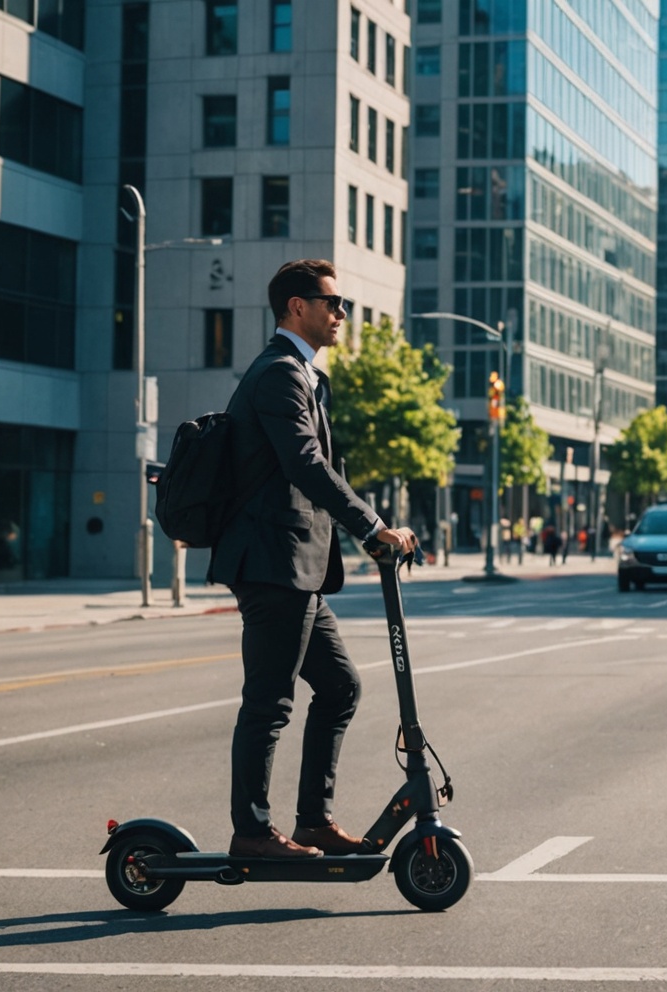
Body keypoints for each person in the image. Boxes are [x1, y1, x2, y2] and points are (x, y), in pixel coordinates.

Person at [208, 259, 418, 860]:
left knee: (340, 687)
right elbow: (305, 464)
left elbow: (324, 469)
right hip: (273, 561)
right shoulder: (278, 374)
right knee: (270, 702)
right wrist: (373, 527)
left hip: (295, 564)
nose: (341, 313)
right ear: (296, 307)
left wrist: (373, 533)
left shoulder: (305, 375)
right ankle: (251, 833)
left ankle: (312, 823)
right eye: (332, 302)